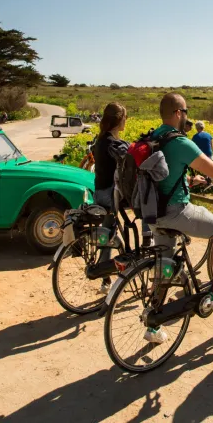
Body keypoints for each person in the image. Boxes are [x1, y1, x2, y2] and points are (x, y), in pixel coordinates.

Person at [146, 93, 213, 343]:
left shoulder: (154, 137)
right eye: (185, 111)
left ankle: (152, 326)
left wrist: (188, 181)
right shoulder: (180, 142)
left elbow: (164, 174)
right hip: (176, 211)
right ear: (176, 113)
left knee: (165, 266)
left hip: (153, 213)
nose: (187, 115)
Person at [92, 103, 130, 294]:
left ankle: (105, 278)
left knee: (106, 233)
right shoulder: (112, 144)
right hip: (109, 194)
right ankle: (141, 253)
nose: (126, 121)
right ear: (118, 120)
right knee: (147, 204)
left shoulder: (101, 140)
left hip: (99, 192)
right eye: (125, 117)